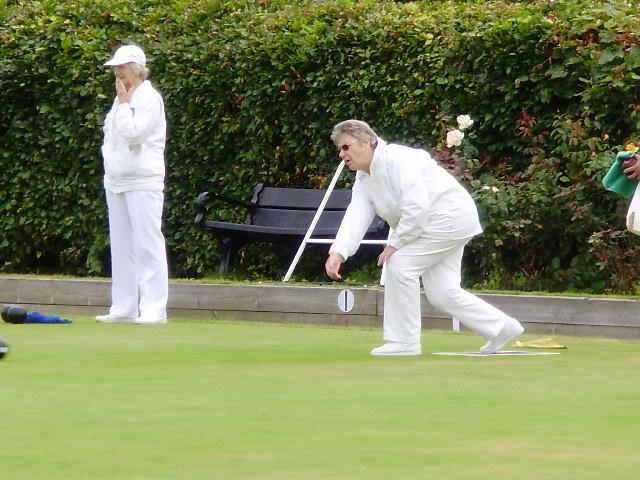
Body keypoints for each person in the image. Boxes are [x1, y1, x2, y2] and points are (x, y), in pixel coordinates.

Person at [325, 120, 523, 355]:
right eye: (339, 149)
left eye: (345, 147)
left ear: (367, 142)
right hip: (437, 224)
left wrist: (395, 244)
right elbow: (357, 213)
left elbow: (417, 206)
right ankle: (501, 328)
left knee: (400, 264)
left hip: (448, 217)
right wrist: (338, 252)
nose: (341, 154)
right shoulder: (364, 178)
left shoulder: (398, 160)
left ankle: (404, 342)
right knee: (442, 294)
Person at [95, 44, 169, 325]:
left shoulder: (149, 98)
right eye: (115, 68)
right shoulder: (121, 99)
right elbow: (111, 135)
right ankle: (124, 306)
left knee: (147, 243)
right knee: (121, 246)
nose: (118, 72)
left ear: (137, 68)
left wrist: (125, 105)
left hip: (143, 180)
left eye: (123, 67)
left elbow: (134, 133)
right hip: (116, 180)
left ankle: (154, 309)